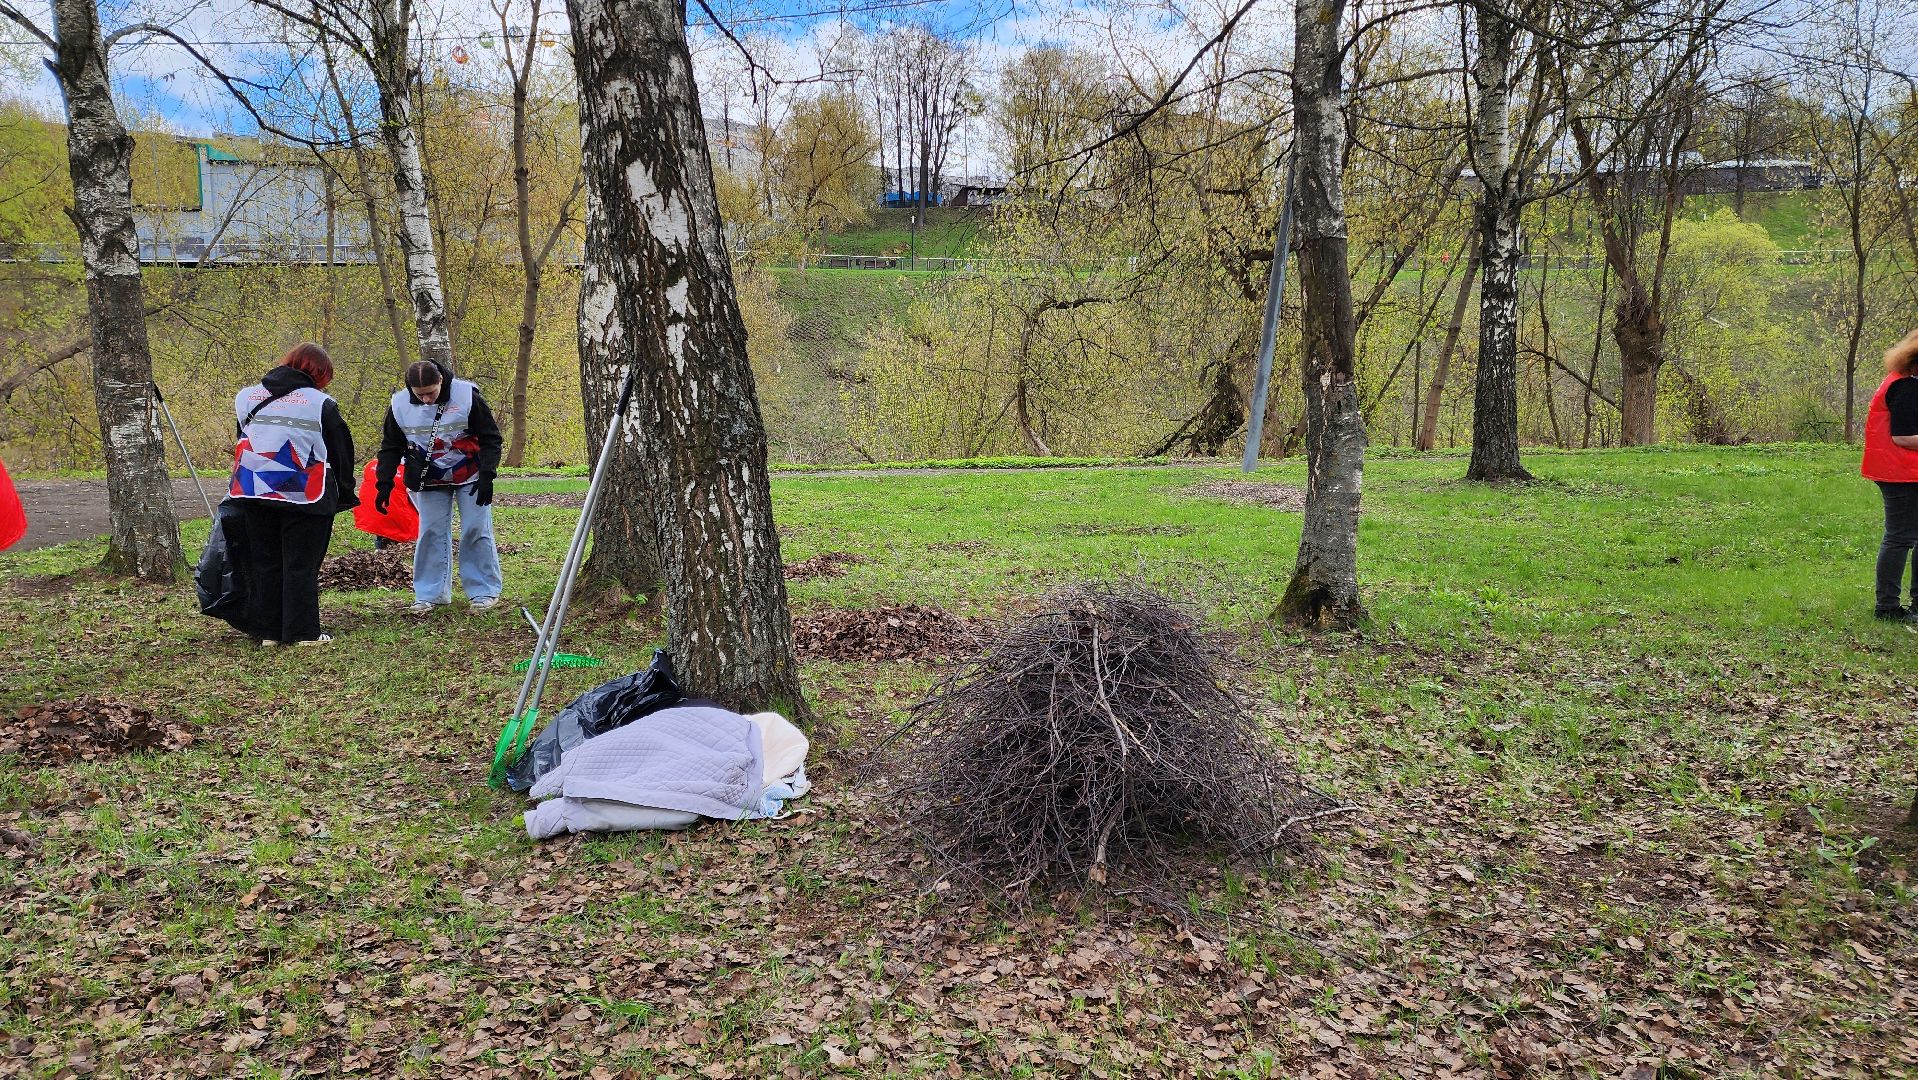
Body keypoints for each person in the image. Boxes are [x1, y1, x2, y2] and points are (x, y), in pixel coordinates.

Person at [228, 342, 357, 646]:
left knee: (264, 561)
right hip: (303, 493)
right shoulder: (320, 403)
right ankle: (303, 633)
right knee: (301, 564)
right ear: (322, 374)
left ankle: (267, 631)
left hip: (253, 488)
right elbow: (340, 452)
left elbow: (244, 437)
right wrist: (345, 492)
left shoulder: (247, 396)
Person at [375, 360, 504, 613]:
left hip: (472, 474)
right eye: (419, 394)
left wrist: (488, 474)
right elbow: (390, 446)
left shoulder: (467, 396)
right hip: (428, 477)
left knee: (476, 528)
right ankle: (430, 593)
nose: (425, 400)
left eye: (431, 393)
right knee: (431, 532)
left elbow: (491, 437)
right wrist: (384, 482)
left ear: (441, 382)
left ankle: (483, 591)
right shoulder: (399, 404)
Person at [1861, 328, 1918, 622]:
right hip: (1899, 472)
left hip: (1908, 470)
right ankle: (1887, 607)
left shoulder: (1907, 381)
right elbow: (1905, 437)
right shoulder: (1906, 387)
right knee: (1899, 537)